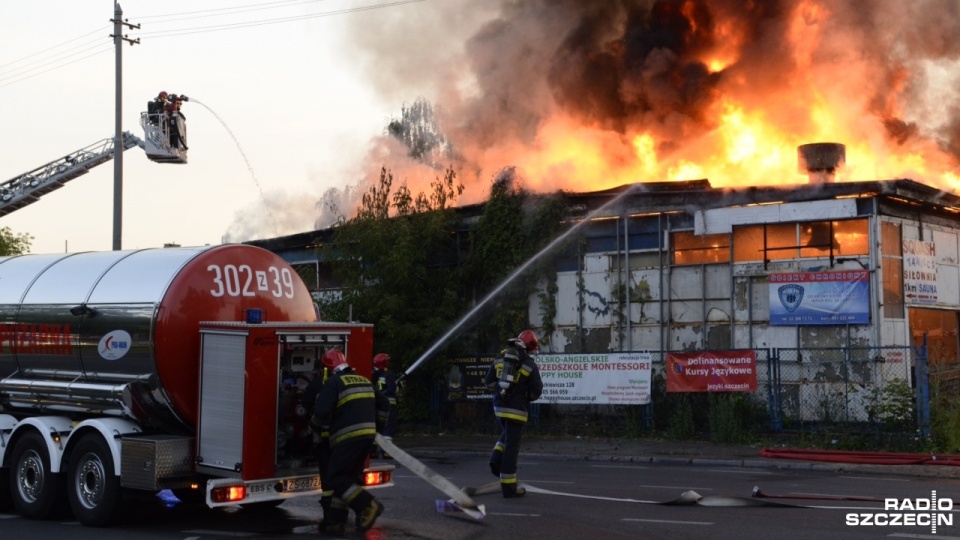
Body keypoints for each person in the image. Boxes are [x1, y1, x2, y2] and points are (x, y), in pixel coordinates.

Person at [310, 349, 389, 535]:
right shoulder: (364, 380)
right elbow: (385, 404)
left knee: (335, 478)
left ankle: (368, 505)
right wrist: (377, 428)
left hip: (347, 439)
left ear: (328, 369)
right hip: (367, 437)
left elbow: (321, 413)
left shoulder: (334, 382)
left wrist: (314, 427)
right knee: (346, 480)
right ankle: (335, 522)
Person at [484, 329, 543, 498]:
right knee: (512, 446)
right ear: (529, 347)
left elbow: (489, 383)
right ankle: (509, 487)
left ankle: (495, 460)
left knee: (507, 435)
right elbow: (536, 391)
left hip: (499, 408)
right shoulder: (529, 364)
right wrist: (524, 397)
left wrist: (500, 393)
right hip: (517, 411)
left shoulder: (500, 358)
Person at [372, 353, 400, 442]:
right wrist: (397, 386)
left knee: (381, 423)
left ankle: (377, 443)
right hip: (390, 403)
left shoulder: (376, 375)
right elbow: (392, 389)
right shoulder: (389, 374)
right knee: (390, 424)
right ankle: (387, 446)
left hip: (380, 404)